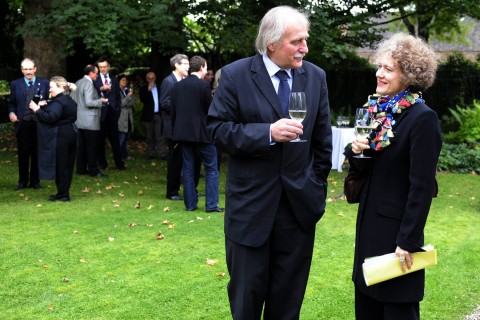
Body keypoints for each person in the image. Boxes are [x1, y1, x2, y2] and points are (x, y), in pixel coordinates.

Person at [207, 6, 332, 319]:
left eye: (306, 39)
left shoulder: (315, 77)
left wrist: (315, 186)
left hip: (298, 209)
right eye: (297, 41)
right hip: (251, 210)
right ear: (272, 43)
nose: (305, 47)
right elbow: (217, 130)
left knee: (288, 304)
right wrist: (268, 133)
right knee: (246, 300)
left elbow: (322, 141)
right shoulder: (236, 75)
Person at [345, 32, 442, 320]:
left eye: (388, 69)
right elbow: (366, 170)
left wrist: (408, 240)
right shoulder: (376, 111)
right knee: (367, 306)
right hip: (369, 228)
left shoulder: (422, 118)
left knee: (398, 309)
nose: (379, 73)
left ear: (409, 75)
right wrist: (358, 152)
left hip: (398, 235)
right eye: (379, 66)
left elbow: (421, 187)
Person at [171, 56, 222, 212]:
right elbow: (210, 110)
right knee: (212, 169)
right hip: (202, 134)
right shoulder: (203, 86)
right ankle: (211, 205)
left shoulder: (178, 86)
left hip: (183, 134)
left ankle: (190, 205)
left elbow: (174, 111)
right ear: (201, 68)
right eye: (205, 67)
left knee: (187, 169)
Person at [29, 77, 78, 202]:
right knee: (67, 165)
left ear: (60, 87)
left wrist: (36, 110)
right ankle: (63, 192)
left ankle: (63, 195)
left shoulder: (59, 102)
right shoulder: (67, 100)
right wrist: (45, 104)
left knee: (61, 165)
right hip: (71, 133)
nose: (49, 90)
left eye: (52, 87)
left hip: (61, 136)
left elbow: (51, 117)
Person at [8, 58, 50, 191]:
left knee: (37, 153)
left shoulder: (45, 83)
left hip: (39, 123)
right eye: (25, 69)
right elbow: (12, 103)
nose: (28, 72)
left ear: (35, 69)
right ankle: (22, 181)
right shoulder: (15, 84)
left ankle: (35, 182)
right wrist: (11, 113)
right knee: (23, 153)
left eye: (30, 69)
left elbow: (52, 99)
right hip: (23, 123)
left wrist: (46, 103)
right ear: (22, 70)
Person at [159, 54, 190, 200]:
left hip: (181, 127)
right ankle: (171, 191)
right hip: (172, 129)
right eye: (185, 64)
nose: (188, 66)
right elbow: (164, 103)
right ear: (176, 65)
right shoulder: (169, 82)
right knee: (174, 160)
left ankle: (183, 189)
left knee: (182, 160)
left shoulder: (182, 80)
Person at [71, 65, 108, 178]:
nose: (97, 75)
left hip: (80, 119)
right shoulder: (88, 83)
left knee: (82, 146)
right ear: (91, 73)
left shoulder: (78, 82)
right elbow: (89, 102)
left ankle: (81, 169)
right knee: (92, 147)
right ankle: (93, 170)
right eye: (96, 73)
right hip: (90, 120)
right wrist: (101, 101)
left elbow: (73, 99)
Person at [94, 57, 125, 170]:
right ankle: (102, 163)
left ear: (109, 67)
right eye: (100, 67)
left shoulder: (115, 79)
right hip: (100, 112)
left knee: (115, 139)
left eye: (104, 66)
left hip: (112, 112)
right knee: (100, 139)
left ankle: (119, 163)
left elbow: (117, 96)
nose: (103, 69)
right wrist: (101, 88)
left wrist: (117, 109)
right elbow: (92, 94)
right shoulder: (95, 80)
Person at [140, 71, 167, 160]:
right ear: (146, 79)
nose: (151, 80)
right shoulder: (143, 88)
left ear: (155, 78)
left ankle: (162, 154)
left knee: (159, 136)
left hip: (158, 115)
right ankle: (150, 153)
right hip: (148, 116)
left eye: (153, 78)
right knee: (149, 136)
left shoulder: (159, 88)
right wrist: (148, 90)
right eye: (149, 79)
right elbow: (143, 100)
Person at [117, 74, 135, 161]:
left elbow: (131, 103)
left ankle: (124, 155)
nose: (125, 82)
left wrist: (128, 98)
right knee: (121, 137)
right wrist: (128, 97)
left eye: (125, 80)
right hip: (121, 117)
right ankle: (119, 156)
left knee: (126, 138)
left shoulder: (127, 90)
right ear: (119, 81)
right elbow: (121, 104)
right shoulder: (117, 91)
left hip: (128, 116)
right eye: (123, 80)